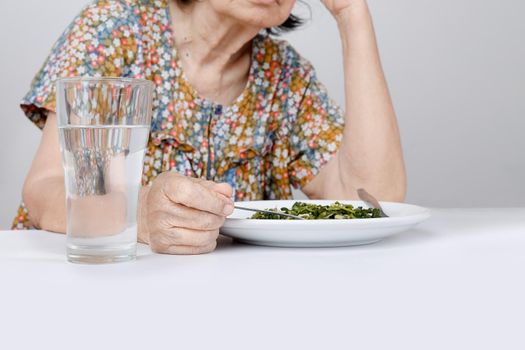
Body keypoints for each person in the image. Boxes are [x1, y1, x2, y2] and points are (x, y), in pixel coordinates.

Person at [13, 0, 406, 254]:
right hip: (84, 285)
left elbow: (373, 197)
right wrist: (140, 214)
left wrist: (352, 14)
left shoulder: (286, 76)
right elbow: (45, 190)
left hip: (220, 305)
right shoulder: (113, 30)